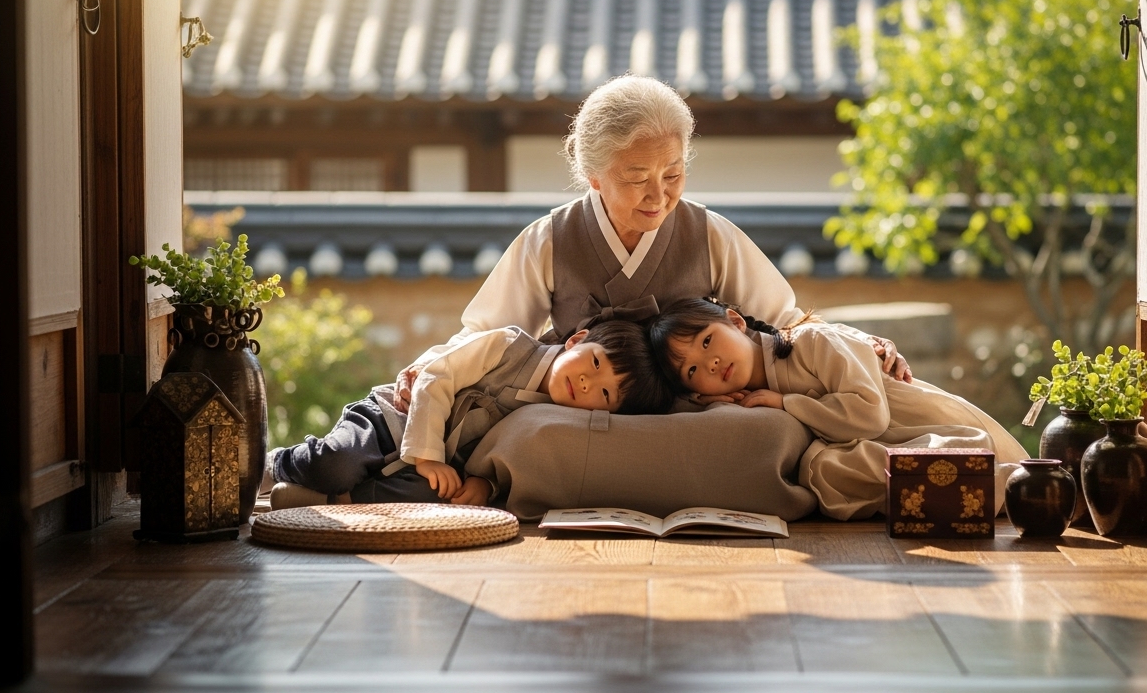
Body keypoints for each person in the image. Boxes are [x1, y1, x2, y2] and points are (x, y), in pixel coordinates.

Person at [393, 75, 908, 413]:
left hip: (692, 410)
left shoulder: (708, 232)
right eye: (637, 177)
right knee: (529, 433)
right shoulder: (552, 237)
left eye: (674, 174)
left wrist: (858, 342)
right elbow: (488, 334)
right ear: (594, 175)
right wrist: (430, 365)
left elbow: (785, 322)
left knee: (763, 431)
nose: (659, 196)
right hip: (583, 409)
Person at [646, 298, 1030, 520]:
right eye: (692, 371)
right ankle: (956, 492)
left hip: (920, 424)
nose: (711, 363)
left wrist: (787, 403)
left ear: (735, 321)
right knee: (821, 468)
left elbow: (870, 414)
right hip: (879, 444)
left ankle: (999, 480)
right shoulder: (752, 394)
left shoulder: (812, 341)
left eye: (707, 341)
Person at [266, 319, 673, 510]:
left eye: (605, 394)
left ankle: (329, 501)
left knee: (433, 499)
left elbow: (515, 459)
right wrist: (428, 455)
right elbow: (436, 377)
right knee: (338, 461)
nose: (586, 383)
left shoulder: (554, 419)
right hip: (393, 419)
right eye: (596, 363)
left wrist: (485, 484)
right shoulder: (508, 345)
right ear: (577, 340)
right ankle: (274, 465)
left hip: (437, 467)